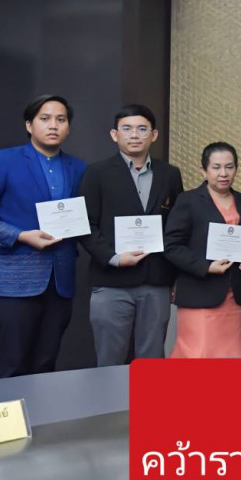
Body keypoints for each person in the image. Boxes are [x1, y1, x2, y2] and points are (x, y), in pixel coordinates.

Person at [0, 95, 87, 379]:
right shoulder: (3, 160)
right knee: (10, 366)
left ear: (68, 127)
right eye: (45, 119)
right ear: (29, 125)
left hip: (60, 282)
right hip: (13, 282)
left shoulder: (78, 168)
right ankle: (4, 412)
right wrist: (20, 235)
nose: (53, 125)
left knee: (45, 367)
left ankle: (40, 412)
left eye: (61, 119)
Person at [79, 104, 184, 366]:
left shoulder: (169, 174)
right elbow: (86, 224)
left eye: (141, 129)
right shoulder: (96, 173)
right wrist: (114, 257)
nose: (134, 135)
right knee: (110, 361)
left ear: (154, 135)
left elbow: (177, 227)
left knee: (152, 361)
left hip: (156, 280)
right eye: (127, 129)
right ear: (114, 135)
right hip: (111, 281)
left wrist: (175, 276)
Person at [163, 142, 241, 358]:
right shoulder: (188, 200)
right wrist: (206, 267)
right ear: (204, 171)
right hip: (200, 293)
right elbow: (171, 246)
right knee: (198, 356)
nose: (223, 173)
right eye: (216, 167)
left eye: (229, 167)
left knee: (233, 355)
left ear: (236, 169)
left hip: (236, 296)